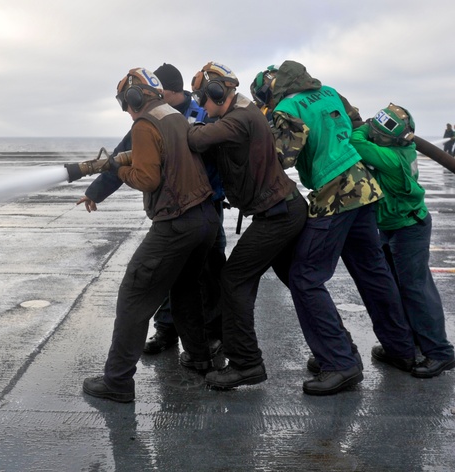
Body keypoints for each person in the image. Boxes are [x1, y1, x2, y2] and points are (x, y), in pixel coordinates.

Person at [254, 60, 417, 395]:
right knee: (372, 271)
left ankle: (340, 362)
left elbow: (280, 158)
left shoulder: (287, 108)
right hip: (364, 186)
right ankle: (401, 349)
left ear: (269, 89)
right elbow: (360, 126)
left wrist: (259, 134)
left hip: (335, 194)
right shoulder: (329, 93)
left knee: (305, 277)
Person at [82, 67, 218, 403]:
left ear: (135, 97)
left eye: (124, 103)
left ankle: (117, 382)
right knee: (185, 289)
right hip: (205, 220)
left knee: (133, 294)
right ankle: (200, 357)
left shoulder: (144, 124)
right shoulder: (174, 116)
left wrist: (117, 168)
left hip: (175, 223)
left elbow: (147, 179)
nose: (126, 110)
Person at [187, 62, 307, 390]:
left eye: (203, 98)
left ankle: (246, 363)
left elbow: (197, 139)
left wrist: (184, 123)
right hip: (282, 209)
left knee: (233, 278)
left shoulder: (240, 118)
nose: (202, 105)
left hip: (278, 215)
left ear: (217, 92)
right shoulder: (242, 113)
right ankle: (339, 355)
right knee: (300, 283)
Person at [350, 103, 455, 378]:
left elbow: (355, 140)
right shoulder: (398, 148)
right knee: (396, 287)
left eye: (378, 131)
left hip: (409, 227)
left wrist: (363, 125)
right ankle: (407, 345)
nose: (373, 133)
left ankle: (440, 353)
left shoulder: (392, 158)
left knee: (416, 290)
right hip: (392, 224)